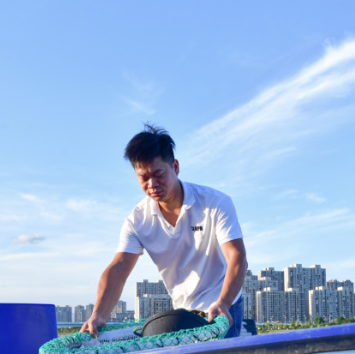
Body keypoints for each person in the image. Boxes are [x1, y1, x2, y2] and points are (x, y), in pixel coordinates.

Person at [81, 124, 248, 339]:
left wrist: (224, 302)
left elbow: (237, 256)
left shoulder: (214, 202)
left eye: (159, 174)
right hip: (182, 310)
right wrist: (98, 314)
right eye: (143, 177)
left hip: (223, 303)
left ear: (175, 167)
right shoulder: (137, 220)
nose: (152, 184)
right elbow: (119, 268)